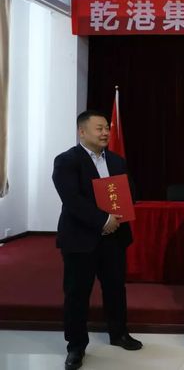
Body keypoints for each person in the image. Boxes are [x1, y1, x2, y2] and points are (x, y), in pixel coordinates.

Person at [52, 110, 142, 370]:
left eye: (106, 128)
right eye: (99, 128)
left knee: (115, 288)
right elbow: (72, 200)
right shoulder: (67, 161)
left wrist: (122, 209)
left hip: (114, 238)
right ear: (82, 132)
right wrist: (103, 220)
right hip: (80, 238)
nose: (105, 133)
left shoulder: (116, 160)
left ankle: (119, 333)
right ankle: (76, 346)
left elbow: (130, 191)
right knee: (77, 293)